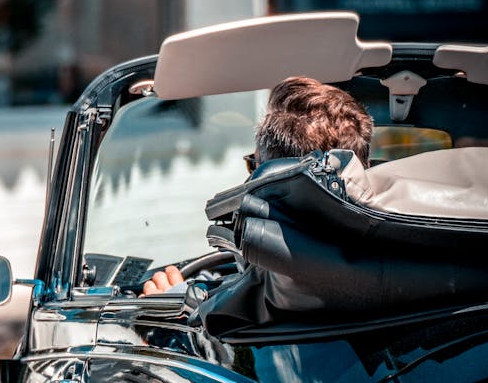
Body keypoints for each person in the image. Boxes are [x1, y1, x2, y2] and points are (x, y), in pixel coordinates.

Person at [141, 76, 373, 295]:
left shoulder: (265, 300)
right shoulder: (397, 266)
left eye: (253, 166)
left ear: (269, 179)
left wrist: (168, 312)